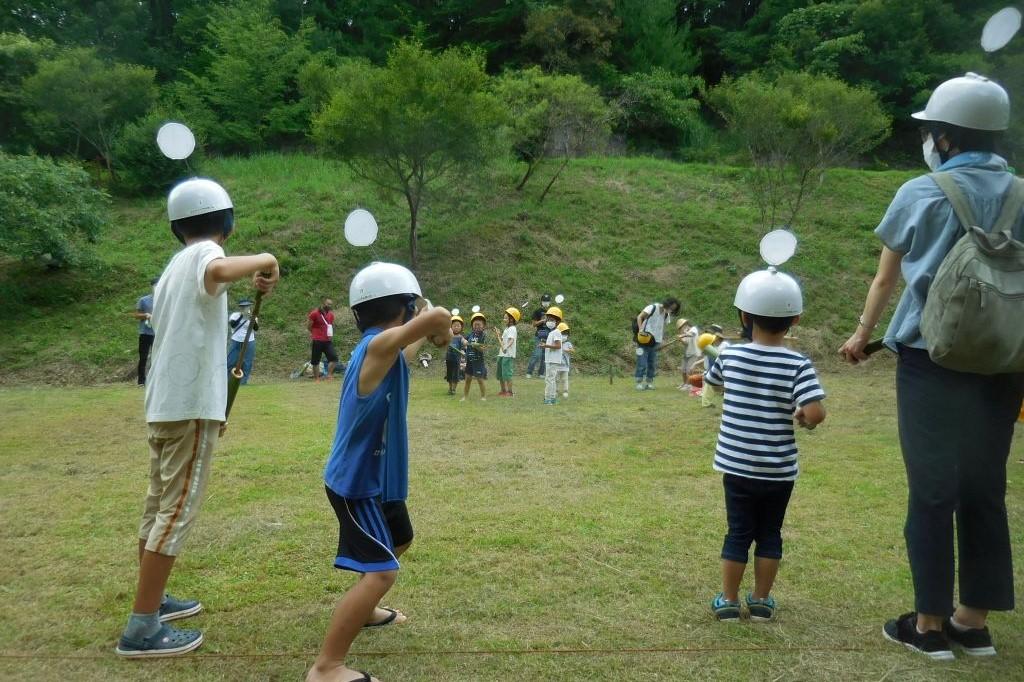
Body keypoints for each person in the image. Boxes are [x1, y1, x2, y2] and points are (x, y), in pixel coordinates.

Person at [839, 72, 1024, 661]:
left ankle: (927, 626)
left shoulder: (920, 191)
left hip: (929, 358)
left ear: (943, 137)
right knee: (984, 487)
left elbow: (886, 276)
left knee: (931, 488)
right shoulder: (1023, 193)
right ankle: (973, 622)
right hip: (1003, 360)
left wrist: (862, 334)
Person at [115, 177, 280, 658]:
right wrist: (267, 259)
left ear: (175, 226)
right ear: (227, 222)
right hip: (187, 406)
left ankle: (154, 599)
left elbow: (213, 277)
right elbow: (219, 268)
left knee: (158, 504)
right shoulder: (204, 255)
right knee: (176, 508)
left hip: (166, 404)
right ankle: (142, 628)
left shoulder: (173, 267)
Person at [307, 262, 450, 682]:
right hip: (357, 485)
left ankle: (366, 610)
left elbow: (416, 343)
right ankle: (326, 668)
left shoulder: (385, 352)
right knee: (383, 571)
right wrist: (434, 319)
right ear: (406, 307)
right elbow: (436, 321)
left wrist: (429, 333)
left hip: (378, 480)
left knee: (400, 539)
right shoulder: (374, 348)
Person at [704, 264, 825, 623]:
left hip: (737, 466)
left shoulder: (729, 355)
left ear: (743, 315)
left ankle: (727, 601)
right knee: (770, 532)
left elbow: (714, 381)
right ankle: (760, 601)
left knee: (738, 532)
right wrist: (803, 417)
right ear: (797, 319)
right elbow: (815, 413)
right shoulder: (798, 364)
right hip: (778, 470)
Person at [634, 297, 680, 390]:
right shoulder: (652, 307)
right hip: (643, 339)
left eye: (673, 309)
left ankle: (649, 382)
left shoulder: (666, 314)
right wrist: (640, 330)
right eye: (671, 307)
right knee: (641, 361)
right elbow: (639, 317)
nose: (671, 310)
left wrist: (662, 339)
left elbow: (662, 326)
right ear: (667, 303)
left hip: (656, 341)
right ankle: (639, 383)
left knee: (652, 362)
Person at [131, 277, 159, 386]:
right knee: (143, 357)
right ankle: (141, 381)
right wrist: (145, 315)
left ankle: (154, 381)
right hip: (145, 333)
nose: (157, 287)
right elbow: (136, 315)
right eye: (155, 285)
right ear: (151, 286)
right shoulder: (144, 300)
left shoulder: (164, 300)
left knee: (156, 357)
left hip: (158, 332)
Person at [226, 299, 257, 385]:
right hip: (236, 341)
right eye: (243, 307)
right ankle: (228, 382)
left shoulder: (253, 317)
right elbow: (233, 325)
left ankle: (243, 383)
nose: (245, 308)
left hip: (249, 342)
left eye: (247, 306)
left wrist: (252, 318)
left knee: (247, 363)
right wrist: (242, 316)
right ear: (240, 307)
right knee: (231, 361)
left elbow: (256, 328)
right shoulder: (235, 315)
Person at [309, 298, 339, 382]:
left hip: (327, 340)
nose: (329, 306)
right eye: (328, 304)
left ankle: (329, 375)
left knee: (334, 358)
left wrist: (330, 335)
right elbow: (309, 326)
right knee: (315, 360)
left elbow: (330, 325)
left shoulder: (331, 315)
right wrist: (315, 333)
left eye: (330, 304)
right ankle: (317, 378)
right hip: (317, 340)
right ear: (323, 303)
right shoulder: (314, 313)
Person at [538, 306, 564, 405]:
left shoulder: (556, 332)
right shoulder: (552, 332)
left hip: (553, 360)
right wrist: (544, 345)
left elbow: (558, 345)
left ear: (557, 322)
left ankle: (548, 399)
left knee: (549, 379)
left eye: (552, 320)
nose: (549, 321)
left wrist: (546, 345)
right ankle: (552, 398)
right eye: (548, 319)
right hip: (550, 359)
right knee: (550, 379)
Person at [461, 312, 488, 401]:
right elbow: (463, 339)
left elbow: (483, 349)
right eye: (475, 325)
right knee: (468, 379)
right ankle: (465, 397)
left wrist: (476, 346)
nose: (477, 326)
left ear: (483, 326)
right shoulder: (471, 334)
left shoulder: (483, 336)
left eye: (479, 325)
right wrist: (464, 341)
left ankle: (483, 397)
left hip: (478, 361)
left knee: (480, 379)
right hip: (469, 361)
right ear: (472, 326)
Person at [526, 293, 552, 378]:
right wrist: (543, 320)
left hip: (549, 336)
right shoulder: (537, 311)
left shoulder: (552, 312)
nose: (546, 303)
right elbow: (534, 324)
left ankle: (541, 373)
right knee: (537, 354)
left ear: (550, 302)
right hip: (539, 335)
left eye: (547, 301)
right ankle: (529, 372)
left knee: (545, 356)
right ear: (541, 302)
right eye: (544, 301)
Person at [496, 307, 520, 397]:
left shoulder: (512, 329)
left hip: (508, 355)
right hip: (501, 354)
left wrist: (506, 347)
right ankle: (503, 391)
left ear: (512, 319)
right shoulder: (506, 329)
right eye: (504, 317)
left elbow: (511, 340)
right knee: (501, 374)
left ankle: (510, 392)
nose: (504, 319)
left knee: (507, 374)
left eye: (506, 318)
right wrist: (498, 334)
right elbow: (502, 341)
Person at [675, 318, 699, 390]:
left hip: (694, 353)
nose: (681, 329)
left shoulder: (693, 329)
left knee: (689, 370)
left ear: (685, 325)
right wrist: (681, 340)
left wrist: (682, 335)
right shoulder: (684, 333)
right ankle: (684, 383)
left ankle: (689, 385)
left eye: (681, 327)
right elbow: (686, 344)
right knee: (683, 369)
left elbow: (691, 334)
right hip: (686, 353)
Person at [445, 314, 466, 395]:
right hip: (449, 358)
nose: (456, 327)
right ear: (451, 326)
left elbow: (465, 342)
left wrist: (467, 344)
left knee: (455, 375)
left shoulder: (460, 337)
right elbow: (443, 342)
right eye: (454, 325)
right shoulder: (448, 336)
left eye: (458, 326)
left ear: (461, 327)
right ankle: (450, 388)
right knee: (449, 374)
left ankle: (454, 389)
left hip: (456, 360)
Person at [555, 322, 574, 399]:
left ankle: (565, 391)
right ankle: (556, 390)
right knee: (556, 379)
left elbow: (573, 350)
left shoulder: (568, 343)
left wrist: (568, 350)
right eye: (562, 334)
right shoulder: (556, 342)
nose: (564, 336)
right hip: (557, 365)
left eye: (565, 334)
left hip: (565, 365)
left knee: (565, 379)